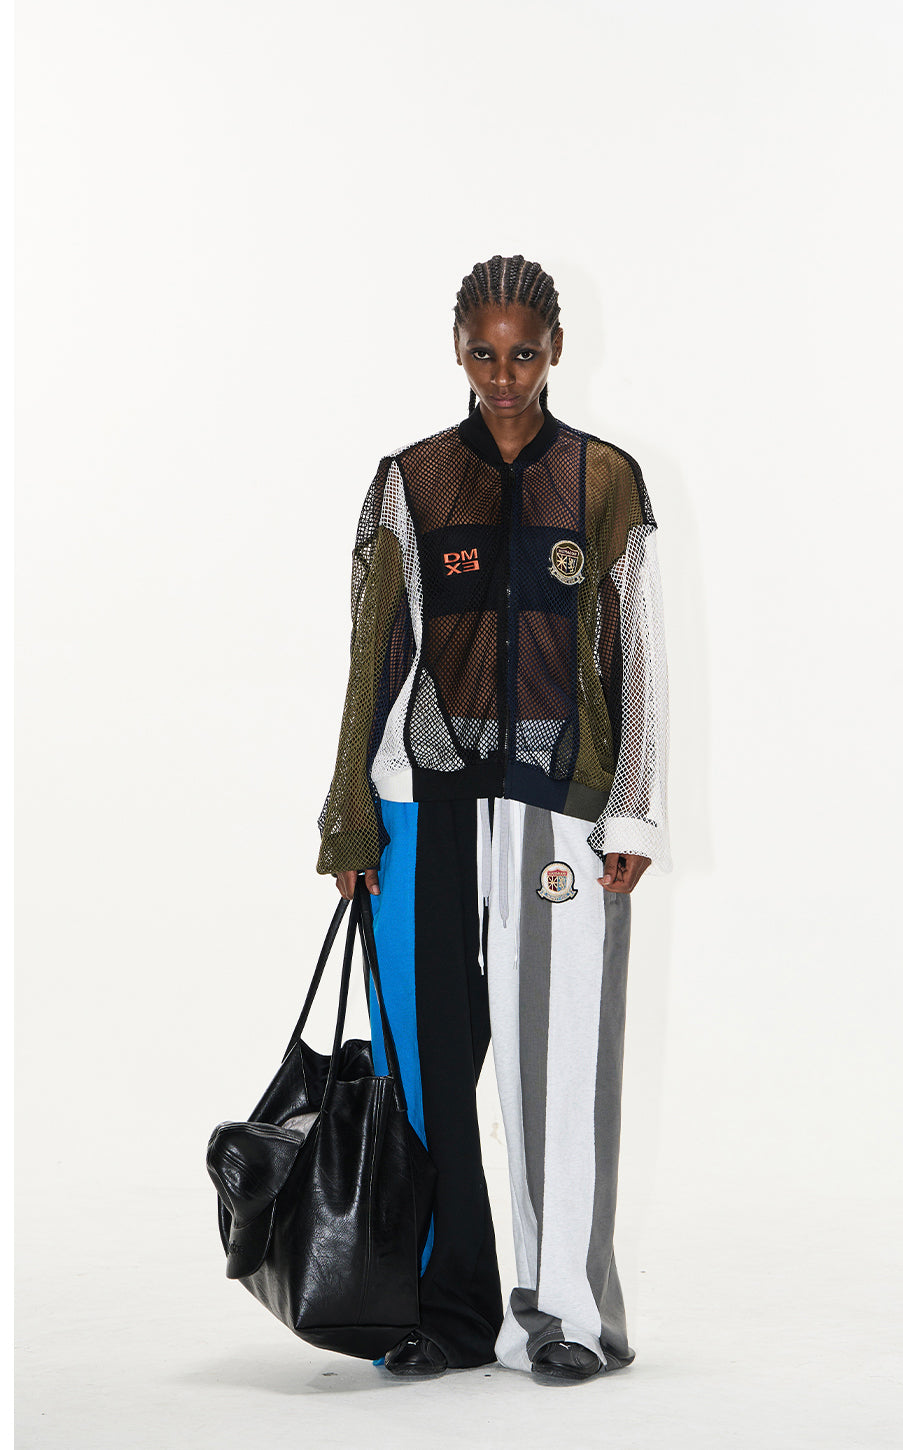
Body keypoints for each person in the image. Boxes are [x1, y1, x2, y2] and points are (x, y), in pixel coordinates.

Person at [316, 254, 671, 1385]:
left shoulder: (602, 479)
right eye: (484, 352)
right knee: (424, 1066)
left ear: (555, 348)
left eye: (523, 352)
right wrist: (349, 819)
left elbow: (633, 653)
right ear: (458, 350)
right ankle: (442, 1310)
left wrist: (631, 813)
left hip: (557, 807)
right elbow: (374, 654)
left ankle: (563, 1315)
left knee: (559, 1059)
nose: (504, 374)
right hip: (422, 803)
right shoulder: (411, 479)